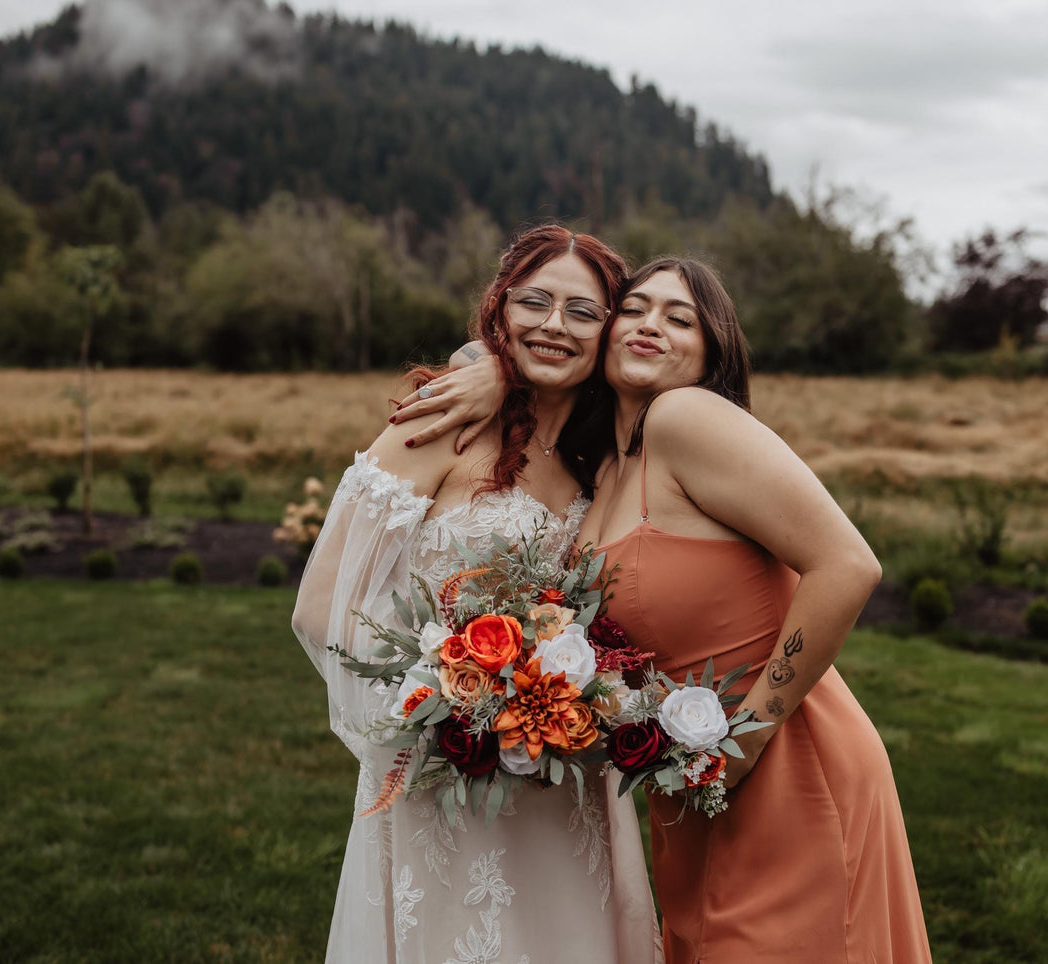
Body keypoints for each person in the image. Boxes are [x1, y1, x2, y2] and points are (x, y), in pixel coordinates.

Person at [397, 257, 933, 963]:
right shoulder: (606, 463)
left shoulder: (688, 418)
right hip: (684, 778)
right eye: (635, 309)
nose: (651, 325)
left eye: (680, 319)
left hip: (787, 760)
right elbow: (517, 348)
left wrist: (749, 734)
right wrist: (493, 369)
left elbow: (848, 564)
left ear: (711, 354)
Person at [291, 225, 660, 964]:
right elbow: (322, 605)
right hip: (445, 777)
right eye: (535, 302)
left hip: (565, 783)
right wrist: (444, 715)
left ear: (607, 332)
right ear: (500, 309)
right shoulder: (440, 427)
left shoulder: (601, 462)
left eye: (582, 311)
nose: (554, 325)